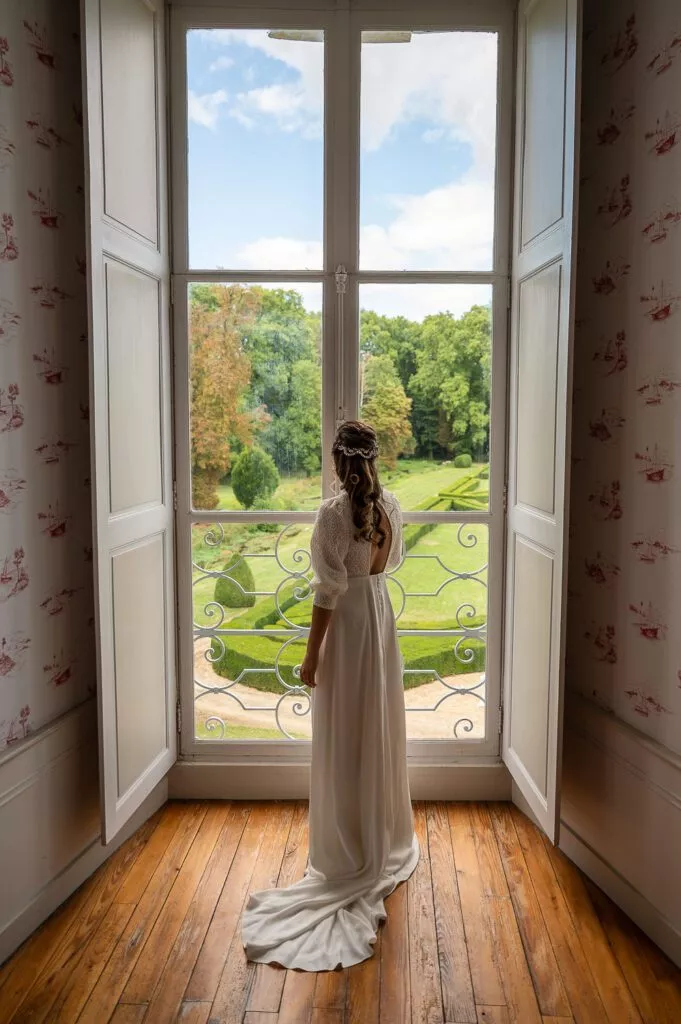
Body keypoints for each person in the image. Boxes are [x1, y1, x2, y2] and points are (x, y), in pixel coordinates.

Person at [242, 419, 419, 971]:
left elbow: (327, 592)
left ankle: (346, 847)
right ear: (373, 459)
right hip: (380, 619)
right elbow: (385, 567)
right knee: (376, 729)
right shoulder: (389, 506)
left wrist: (311, 654)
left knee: (344, 735)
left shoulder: (331, 516)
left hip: (347, 629)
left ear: (338, 461)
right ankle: (379, 835)